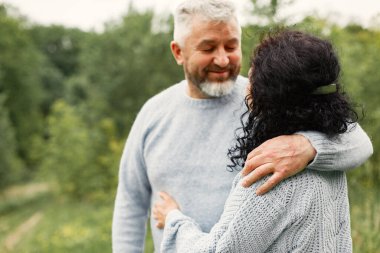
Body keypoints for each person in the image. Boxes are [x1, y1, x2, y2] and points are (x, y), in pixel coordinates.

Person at [112, 0, 373, 252]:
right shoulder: (153, 114)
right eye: (208, 48)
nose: (223, 60)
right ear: (178, 52)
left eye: (231, 46)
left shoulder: (269, 100)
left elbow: (358, 142)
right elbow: (130, 203)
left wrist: (308, 147)